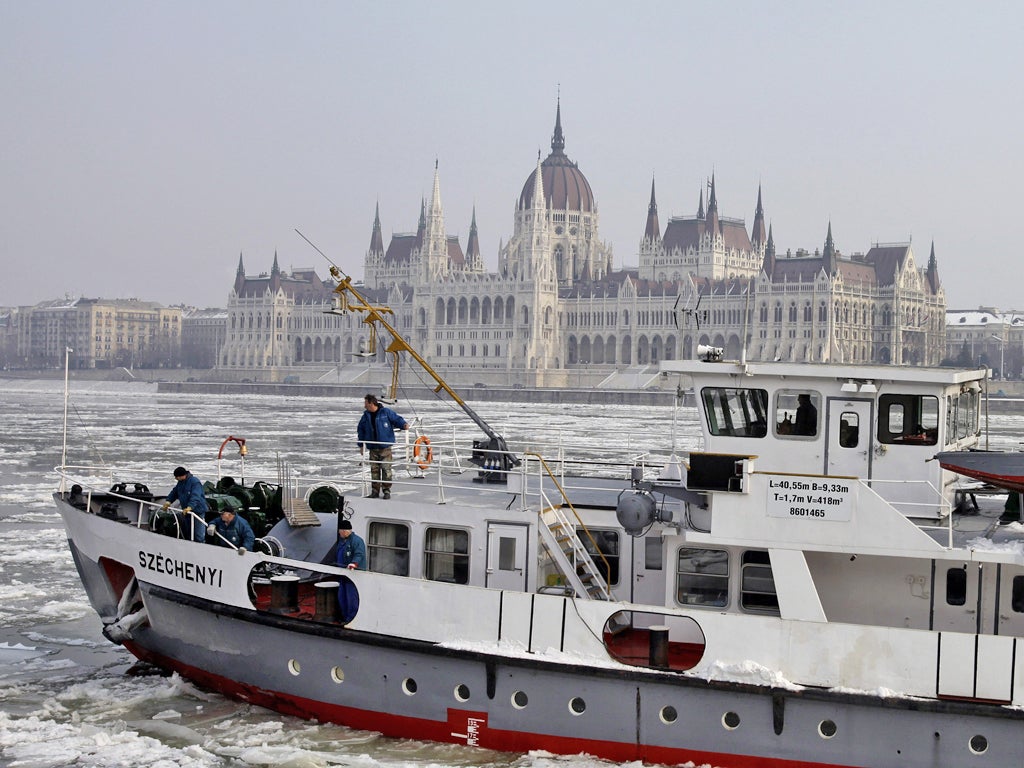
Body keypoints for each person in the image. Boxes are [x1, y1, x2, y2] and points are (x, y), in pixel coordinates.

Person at [356, 394, 409, 499]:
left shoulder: (385, 412)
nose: (364, 406)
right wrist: (361, 445)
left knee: (386, 469)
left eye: (366, 403)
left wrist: (403, 425)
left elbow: (396, 419)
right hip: (373, 448)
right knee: (374, 470)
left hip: (385, 448)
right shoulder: (365, 416)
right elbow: (361, 430)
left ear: (371, 403)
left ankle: (386, 491)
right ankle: (375, 491)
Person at [161, 467, 208, 541]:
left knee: (198, 533)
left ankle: (201, 545)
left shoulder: (194, 482)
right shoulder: (180, 482)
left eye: (176, 477)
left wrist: (190, 507)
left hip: (197, 511)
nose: (176, 479)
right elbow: (175, 492)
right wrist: (168, 501)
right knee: (188, 532)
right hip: (186, 511)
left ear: (181, 476)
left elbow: (196, 496)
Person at [336, 519, 366, 623]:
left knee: (351, 597)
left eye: (340, 531)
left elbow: (359, 554)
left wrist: (354, 563)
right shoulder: (342, 541)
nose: (339, 533)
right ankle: (344, 616)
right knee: (342, 595)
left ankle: (352, 618)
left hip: (353, 575)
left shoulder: (357, 541)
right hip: (343, 574)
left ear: (344, 531)